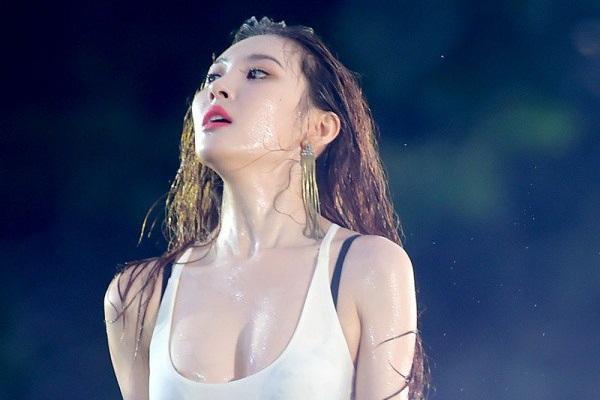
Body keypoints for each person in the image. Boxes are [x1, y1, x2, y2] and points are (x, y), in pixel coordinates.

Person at [104, 16, 429, 400]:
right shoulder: (138, 295)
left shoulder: (367, 268)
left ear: (319, 128)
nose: (218, 88)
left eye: (257, 73)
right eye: (212, 77)